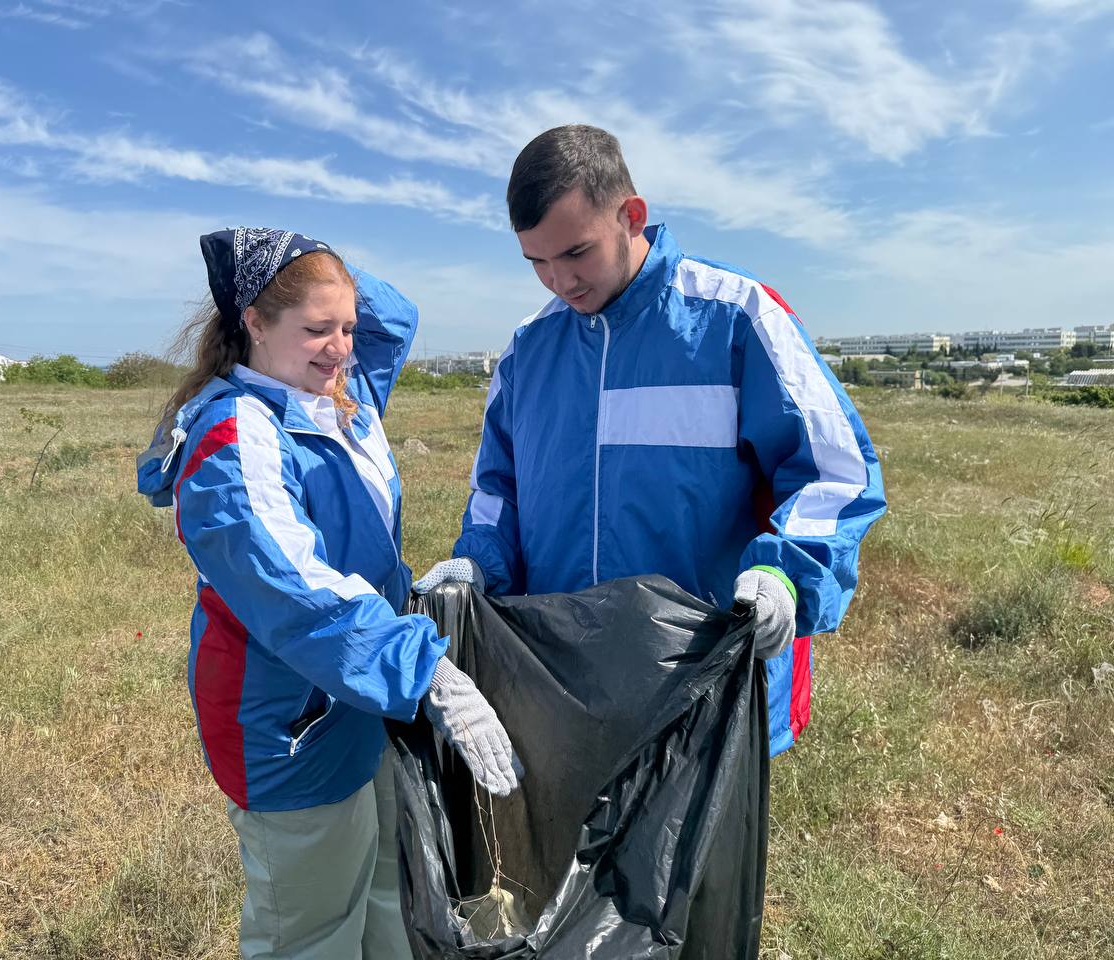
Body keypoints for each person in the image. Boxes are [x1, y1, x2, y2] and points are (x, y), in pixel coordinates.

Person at [415, 125, 887, 756]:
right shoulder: (528, 353)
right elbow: (499, 493)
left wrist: (785, 577)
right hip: (561, 684)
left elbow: (836, 472)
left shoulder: (736, 317)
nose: (559, 281)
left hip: (704, 686)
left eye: (577, 252)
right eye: (537, 263)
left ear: (631, 215)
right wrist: (477, 560)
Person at [137, 227, 521, 959]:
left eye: (346, 326)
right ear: (251, 321)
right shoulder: (232, 438)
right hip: (290, 720)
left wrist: (303, 258)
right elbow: (294, 589)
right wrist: (424, 669)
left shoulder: (336, 397)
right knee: (311, 933)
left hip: (361, 695)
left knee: (386, 890)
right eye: (316, 329)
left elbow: (393, 316)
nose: (342, 347)